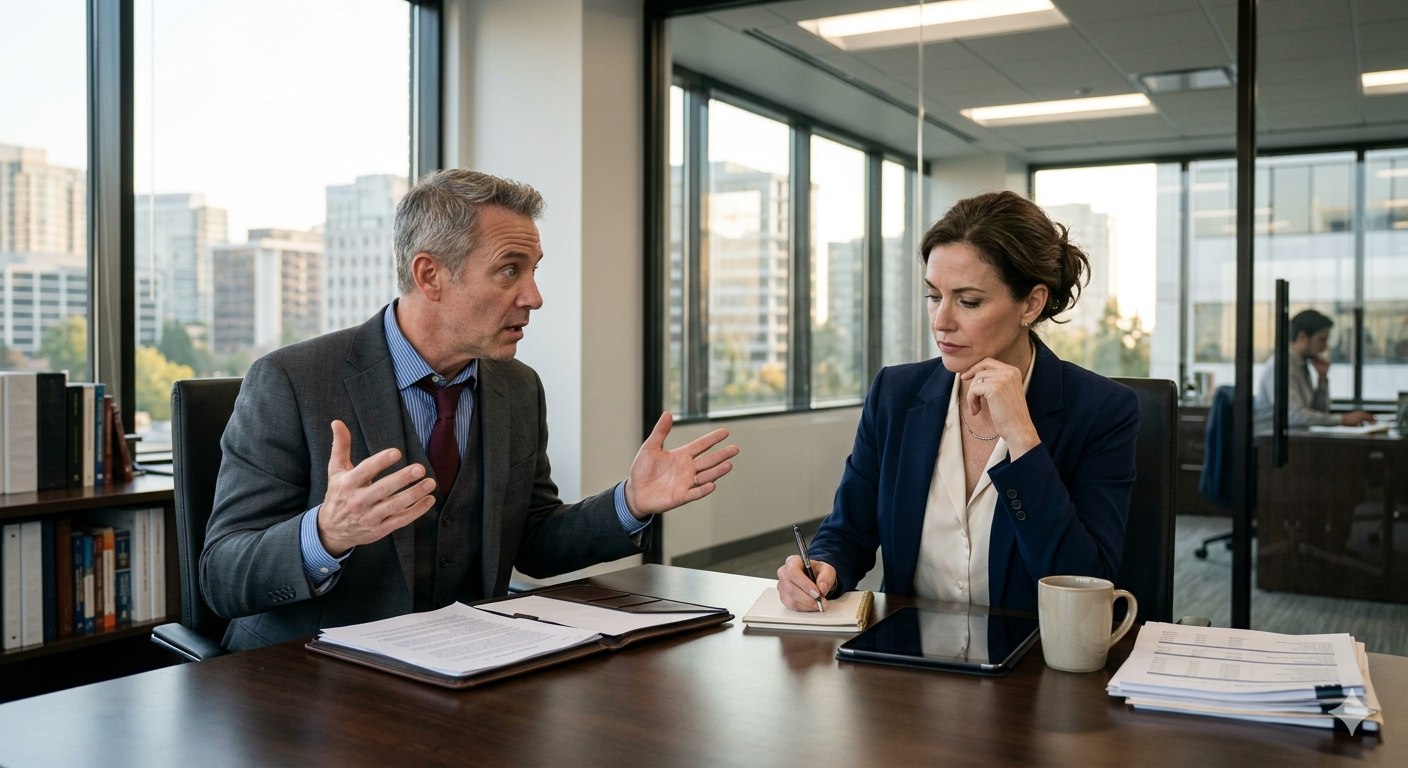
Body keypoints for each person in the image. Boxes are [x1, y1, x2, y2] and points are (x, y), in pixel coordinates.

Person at [202, 169, 738, 651]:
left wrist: (630, 503)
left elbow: (533, 540)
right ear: (430, 275)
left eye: (533, 271)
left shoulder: (518, 387)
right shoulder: (290, 381)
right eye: (510, 271)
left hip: (467, 669)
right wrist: (326, 533)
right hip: (305, 680)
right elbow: (222, 576)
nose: (534, 296)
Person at [776, 191, 1139, 614]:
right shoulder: (895, 393)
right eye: (934, 296)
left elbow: (1087, 584)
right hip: (909, 656)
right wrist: (822, 567)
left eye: (968, 301)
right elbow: (848, 532)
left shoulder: (1102, 410)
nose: (941, 321)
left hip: (1033, 661)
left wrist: (1022, 438)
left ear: (1031, 303)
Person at [1253, 309, 1375, 429]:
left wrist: (1322, 379)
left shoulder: (1301, 364)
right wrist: (1342, 419)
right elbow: (1294, 416)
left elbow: (1318, 411)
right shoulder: (1281, 367)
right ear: (1302, 337)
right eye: (1321, 340)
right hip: (1269, 442)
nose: (1326, 346)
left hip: (1295, 437)